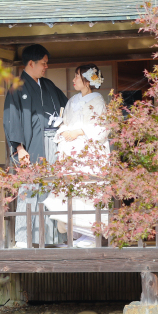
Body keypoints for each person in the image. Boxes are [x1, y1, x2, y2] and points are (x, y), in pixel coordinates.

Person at [3, 44, 68, 247]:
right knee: (29, 189)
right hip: (30, 147)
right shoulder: (17, 87)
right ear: (31, 63)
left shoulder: (48, 85)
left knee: (51, 189)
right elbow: (11, 118)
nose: (46, 67)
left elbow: (67, 106)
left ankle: (51, 238)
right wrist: (19, 148)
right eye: (43, 63)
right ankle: (23, 238)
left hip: (53, 144)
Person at [44, 63, 110, 248]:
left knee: (87, 192)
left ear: (87, 80)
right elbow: (65, 122)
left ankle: (90, 237)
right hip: (72, 153)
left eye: (77, 76)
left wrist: (79, 132)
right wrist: (64, 132)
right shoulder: (72, 101)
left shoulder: (97, 100)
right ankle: (75, 236)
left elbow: (101, 128)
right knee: (71, 192)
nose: (74, 80)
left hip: (88, 153)